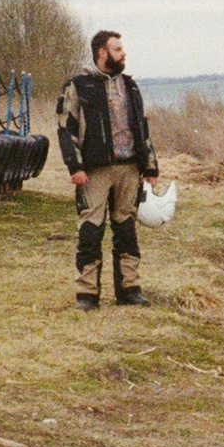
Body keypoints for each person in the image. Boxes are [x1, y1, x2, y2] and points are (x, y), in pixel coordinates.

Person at [54, 30, 159, 309]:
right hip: (95, 170)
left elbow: (142, 128)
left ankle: (130, 290)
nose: (123, 53)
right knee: (90, 230)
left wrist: (150, 166)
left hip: (129, 168)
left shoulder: (130, 86)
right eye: (118, 49)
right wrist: (75, 166)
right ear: (102, 52)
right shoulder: (78, 85)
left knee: (126, 229)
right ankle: (87, 294)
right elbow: (66, 128)